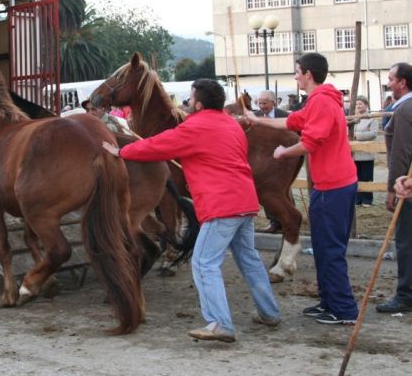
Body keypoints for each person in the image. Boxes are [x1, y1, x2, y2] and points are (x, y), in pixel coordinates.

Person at [103, 78, 280, 343]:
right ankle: (269, 313)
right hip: (245, 201)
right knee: (249, 259)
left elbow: (157, 145)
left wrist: (122, 151)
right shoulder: (230, 124)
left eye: (191, 96)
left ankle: (220, 323)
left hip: (221, 205)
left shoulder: (195, 127)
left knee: (203, 262)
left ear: (198, 102)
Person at [245, 53, 359, 325]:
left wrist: (284, 152)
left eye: (297, 71)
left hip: (334, 186)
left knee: (330, 248)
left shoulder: (321, 102)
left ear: (308, 74)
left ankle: (343, 309)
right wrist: (257, 120)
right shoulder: (318, 101)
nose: (295, 76)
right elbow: (290, 122)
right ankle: (329, 302)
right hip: (328, 184)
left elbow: (311, 142)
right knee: (322, 246)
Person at [376, 63, 412, 313]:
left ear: (402, 82)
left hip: (410, 183)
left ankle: (407, 294)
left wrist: (393, 188)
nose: (388, 83)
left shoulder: (406, 110)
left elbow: (401, 153)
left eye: (390, 78)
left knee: (407, 242)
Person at [254, 90, 290, 233]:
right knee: (266, 190)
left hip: (283, 158)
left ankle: (285, 220)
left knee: (283, 191)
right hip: (262, 160)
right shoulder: (255, 117)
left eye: (265, 103)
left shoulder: (284, 116)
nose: (262, 106)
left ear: (273, 102)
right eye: (260, 103)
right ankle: (274, 222)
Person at [350, 96, 379, 207]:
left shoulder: (372, 118)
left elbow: (373, 133)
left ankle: (367, 200)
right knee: (355, 177)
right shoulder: (353, 118)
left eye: (360, 104)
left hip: (367, 154)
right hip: (355, 154)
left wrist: (357, 136)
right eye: (357, 104)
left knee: (366, 177)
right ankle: (357, 199)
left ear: (366, 105)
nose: (358, 106)